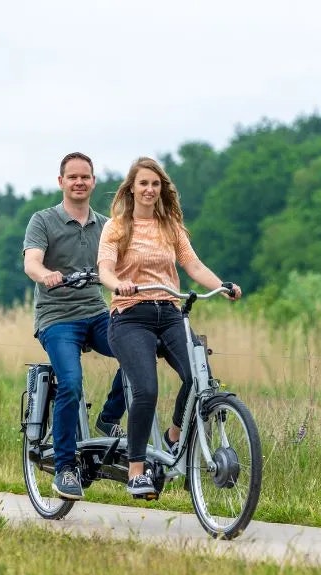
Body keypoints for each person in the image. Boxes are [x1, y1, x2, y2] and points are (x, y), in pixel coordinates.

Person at [97, 156, 242, 498]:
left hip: (170, 312)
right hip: (130, 316)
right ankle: (136, 472)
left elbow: (192, 264)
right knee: (145, 390)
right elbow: (104, 268)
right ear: (131, 188)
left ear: (162, 189)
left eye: (155, 184)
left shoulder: (170, 226)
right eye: (143, 183)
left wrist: (222, 285)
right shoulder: (116, 227)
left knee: (199, 378)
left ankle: (174, 435)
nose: (149, 189)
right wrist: (118, 284)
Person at [23, 151, 127, 501]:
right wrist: (46, 275)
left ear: (93, 181)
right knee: (70, 382)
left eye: (86, 177)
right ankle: (66, 468)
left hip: (96, 312)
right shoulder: (43, 220)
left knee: (137, 350)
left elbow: (121, 266)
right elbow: (31, 262)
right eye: (73, 177)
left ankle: (108, 417)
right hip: (57, 317)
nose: (79, 182)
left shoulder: (106, 225)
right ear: (61, 182)